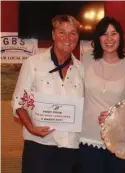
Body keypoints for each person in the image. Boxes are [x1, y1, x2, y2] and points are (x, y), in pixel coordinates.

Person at [11, 14, 84, 173]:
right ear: (53, 35)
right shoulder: (33, 64)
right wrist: (31, 128)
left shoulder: (82, 70)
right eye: (61, 32)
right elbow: (18, 102)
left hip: (70, 147)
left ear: (77, 37)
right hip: (39, 146)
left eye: (73, 33)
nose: (67, 37)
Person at [76, 16, 125, 173]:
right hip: (87, 138)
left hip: (119, 139)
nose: (109, 39)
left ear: (121, 37)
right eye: (104, 34)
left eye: (114, 33)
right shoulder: (86, 61)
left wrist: (117, 116)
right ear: (98, 38)